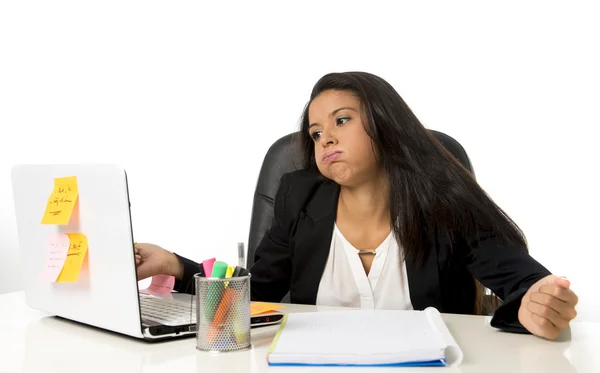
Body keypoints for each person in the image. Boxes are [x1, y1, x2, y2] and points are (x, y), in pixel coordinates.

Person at [135, 71, 578, 339]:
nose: (324, 137)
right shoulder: (299, 195)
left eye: (341, 120)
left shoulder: (442, 202)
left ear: (386, 125)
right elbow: (258, 294)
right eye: (314, 132)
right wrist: (174, 264)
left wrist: (535, 309)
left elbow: (527, 286)